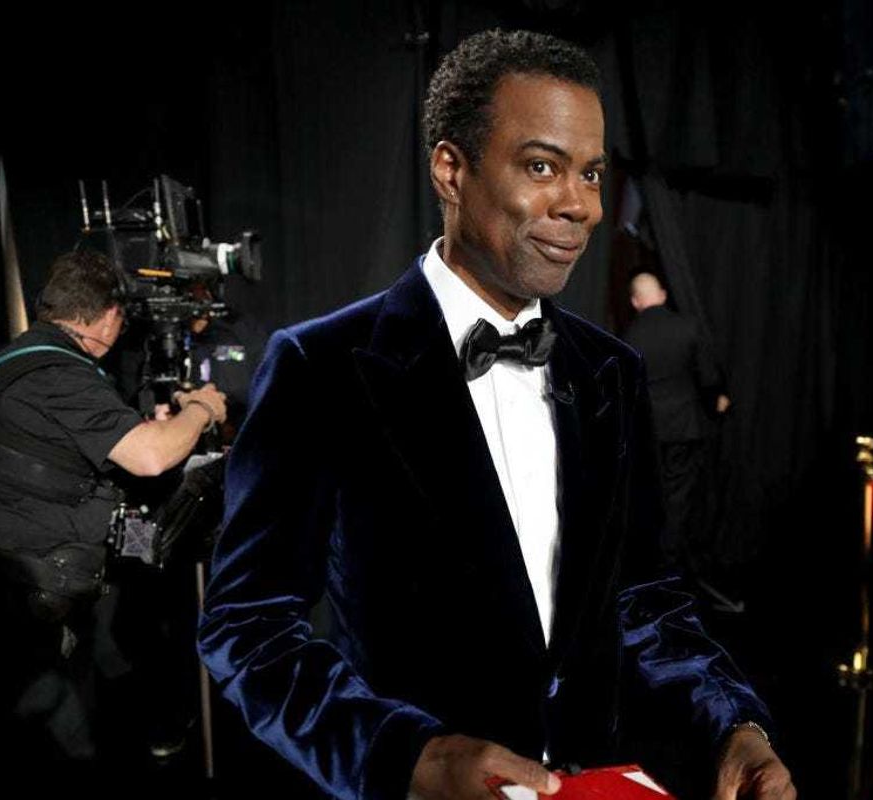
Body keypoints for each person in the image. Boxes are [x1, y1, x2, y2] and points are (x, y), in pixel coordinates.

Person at [198, 29, 795, 800]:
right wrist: (409, 757)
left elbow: (644, 601)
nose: (579, 205)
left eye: (590, 174)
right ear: (451, 170)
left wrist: (732, 726)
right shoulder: (322, 366)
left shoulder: (612, 373)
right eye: (541, 166)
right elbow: (249, 626)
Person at [0, 249, 227, 779]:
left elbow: (48, 455)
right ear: (109, 317)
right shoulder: (59, 375)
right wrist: (200, 409)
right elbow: (151, 456)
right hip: (22, 612)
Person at [623, 271, 729, 574]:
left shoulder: (628, 337)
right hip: (684, 428)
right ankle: (671, 565)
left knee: (649, 498)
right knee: (680, 499)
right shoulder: (688, 327)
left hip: (646, 432)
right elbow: (708, 377)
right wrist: (717, 402)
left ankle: (650, 564)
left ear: (635, 302)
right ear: (663, 295)